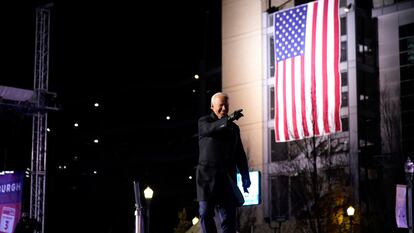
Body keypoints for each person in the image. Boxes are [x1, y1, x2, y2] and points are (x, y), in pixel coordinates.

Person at [196, 92, 251, 233]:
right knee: (205, 213)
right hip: (206, 179)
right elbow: (210, 129)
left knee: (229, 220)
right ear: (212, 106)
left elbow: (240, 155)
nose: (224, 109)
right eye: (221, 106)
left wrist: (245, 177)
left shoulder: (234, 129)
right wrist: (229, 119)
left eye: (226, 105)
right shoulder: (204, 122)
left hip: (227, 179)